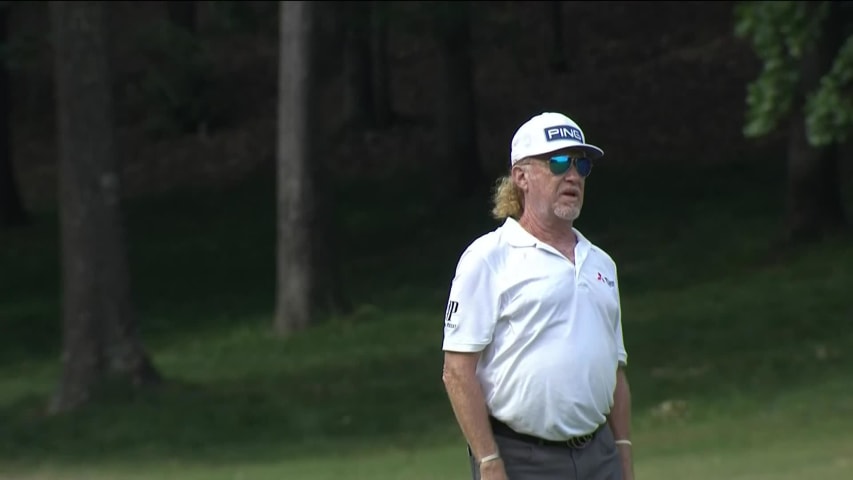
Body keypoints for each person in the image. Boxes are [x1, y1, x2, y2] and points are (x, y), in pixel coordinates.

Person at [441, 112, 633, 480]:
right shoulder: (489, 257)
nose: (573, 174)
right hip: (523, 459)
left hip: (600, 456)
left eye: (582, 164)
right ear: (521, 177)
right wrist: (488, 460)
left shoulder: (602, 264)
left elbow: (616, 371)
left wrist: (623, 451)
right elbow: (457, 371)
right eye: (558, 162)